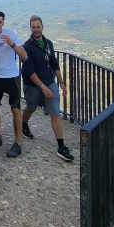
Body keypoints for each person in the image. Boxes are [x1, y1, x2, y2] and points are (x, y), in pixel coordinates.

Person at [21, 15, 74, 162]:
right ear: (30, 28)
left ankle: (61, 146)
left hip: (49, 82)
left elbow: (54, 63)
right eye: (33, 27)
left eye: (38, 26)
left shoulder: (48, 43)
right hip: (32, 85)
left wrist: (61, 82)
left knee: (55, 113)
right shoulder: (27, 47)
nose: (36, 29)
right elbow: (29, 72)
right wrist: (42, 87)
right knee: (31, 107)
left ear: (42, 27)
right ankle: (23, 123)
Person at [0, 11, 27, 156]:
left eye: (0, 22)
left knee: (15, 109)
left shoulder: (11, 34)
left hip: (12, 77)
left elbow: (24, 55)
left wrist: (12, 44)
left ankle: (18, 143)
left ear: (3, 23)